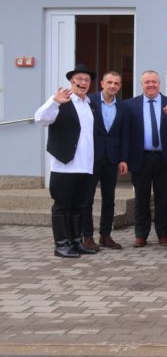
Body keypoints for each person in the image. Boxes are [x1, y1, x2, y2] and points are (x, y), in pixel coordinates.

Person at [34, 64, 98, 258]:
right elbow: (40, 119)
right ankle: (61, 245)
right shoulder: (61, 101)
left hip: (85, 165)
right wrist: (55, 101)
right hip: (64, 165)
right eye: (79, 79)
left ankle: (75, 242)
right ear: (71, 81)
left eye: (87, 80)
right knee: (62, 206)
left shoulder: (89, 104)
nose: (83, 83)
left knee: (78, 206)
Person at [121, 70, 167, 247]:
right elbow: (125, 134)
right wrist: (124, 158)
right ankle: (141, 235)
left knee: (163, 198)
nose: (151, 85)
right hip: (140, 158)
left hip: (164, 158)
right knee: (141, 198)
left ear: (159, 84)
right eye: (147, 82)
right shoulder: (130, 105)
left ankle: (163, 234)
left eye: (154, 82)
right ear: (142, 84)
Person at [81, 70, 126, 250]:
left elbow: (123, 134)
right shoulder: (88, 101)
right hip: (91, 157)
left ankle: (105, 236)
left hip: (111, 159)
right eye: (110, 82)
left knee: (109, 199)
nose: (113, 86)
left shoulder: (122, 106)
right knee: (87, 199)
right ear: (102, 84)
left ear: (119, 86)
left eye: (116, 83)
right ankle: (87, 237)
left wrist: (123, 159)